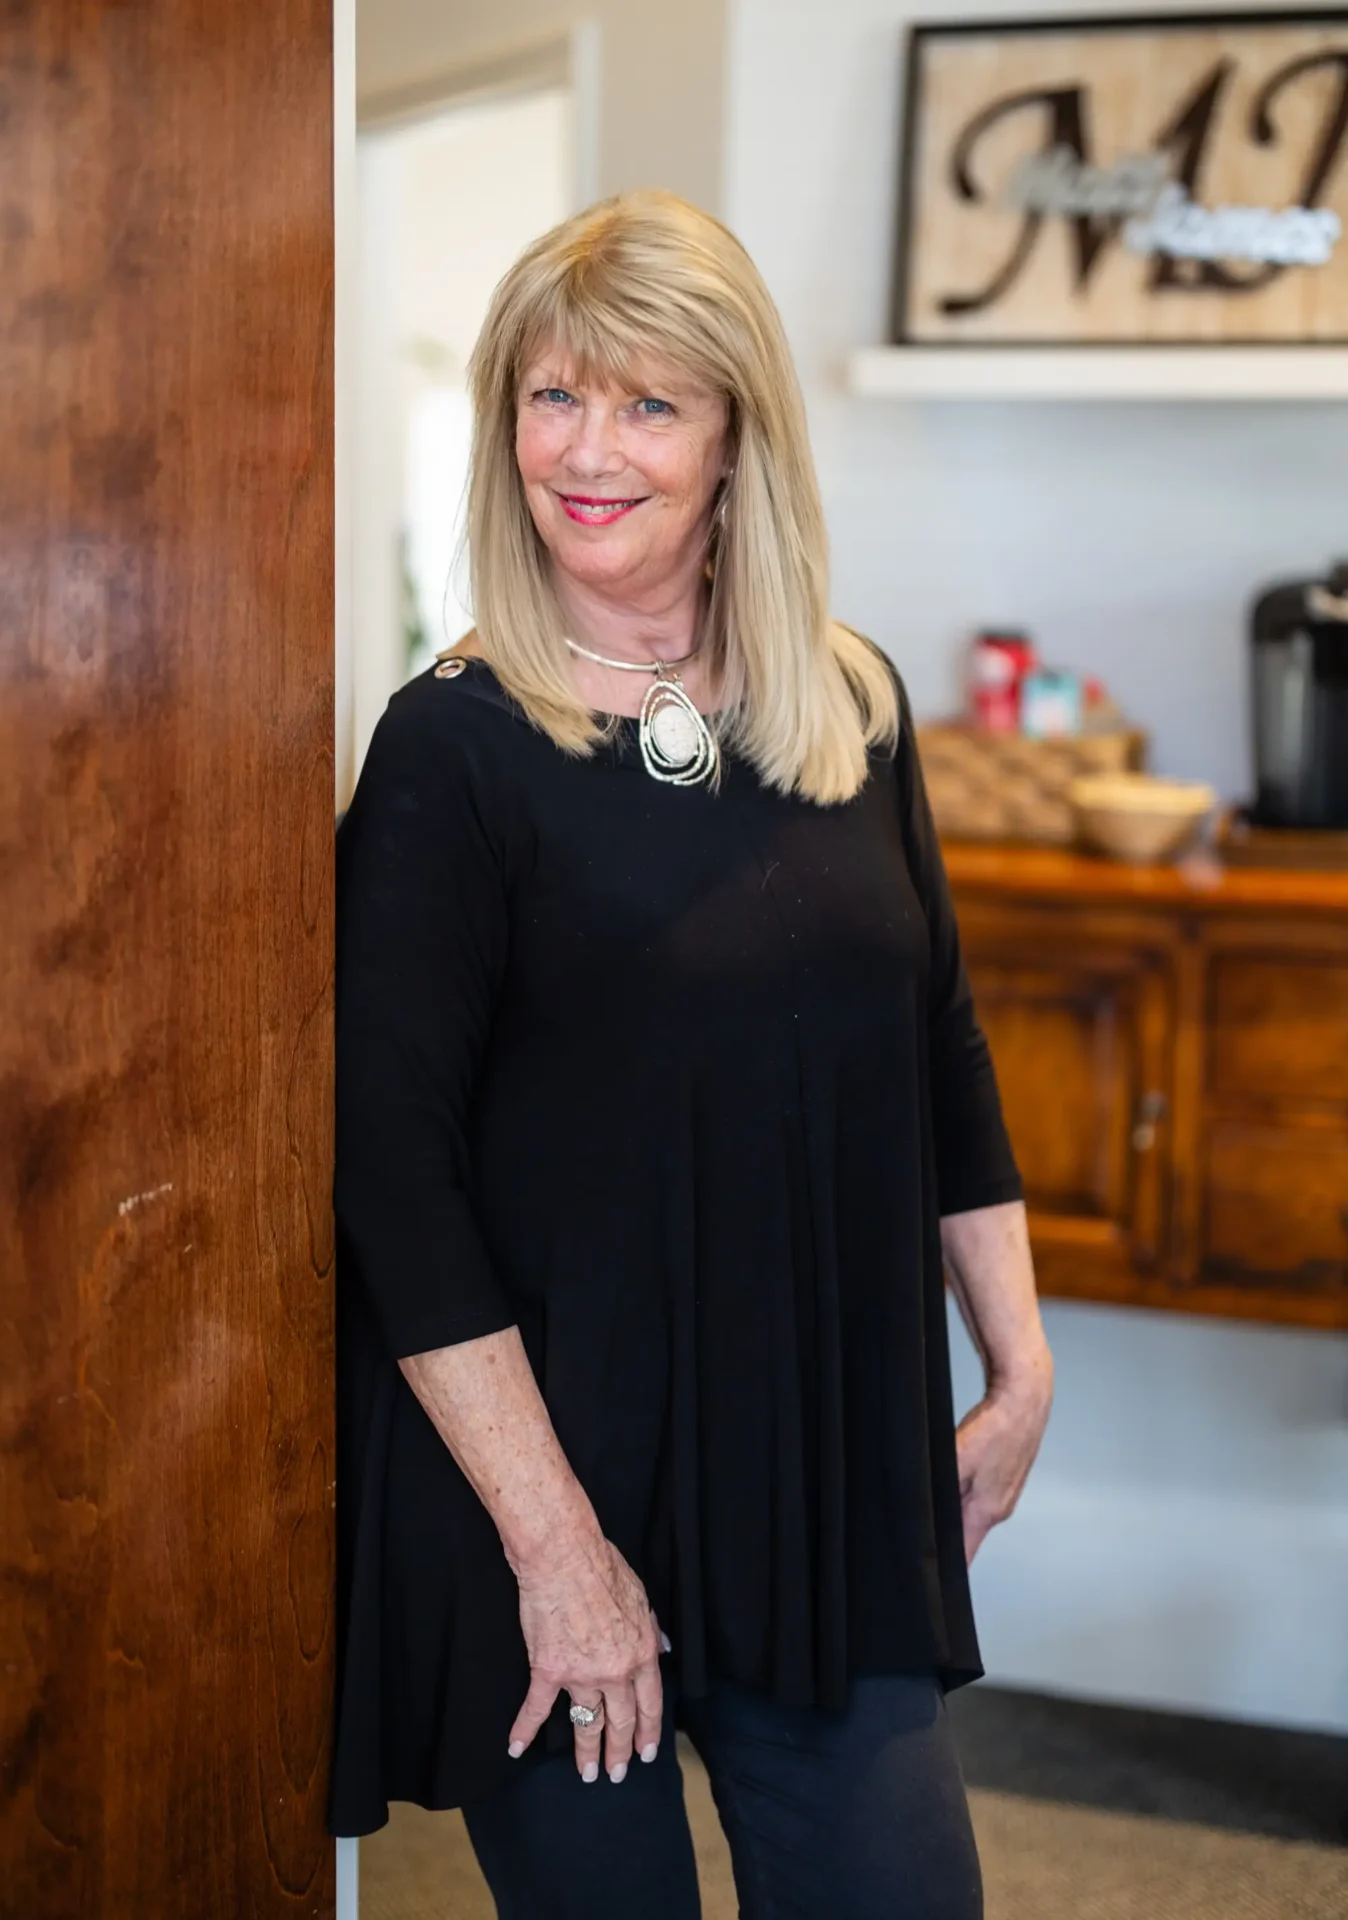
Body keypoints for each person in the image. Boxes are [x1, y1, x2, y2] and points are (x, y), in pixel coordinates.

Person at [330, 189, 1053, 1919]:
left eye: (650, 403)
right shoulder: (456, 749)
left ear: (737, 440)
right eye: (554, 394)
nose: (589, 450)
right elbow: (391, 1172)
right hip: (554, 1487)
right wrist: (556, 1551)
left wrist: (1016, 1364)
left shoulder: (850, 706)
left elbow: (938, 1047)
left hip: (817, 1470)